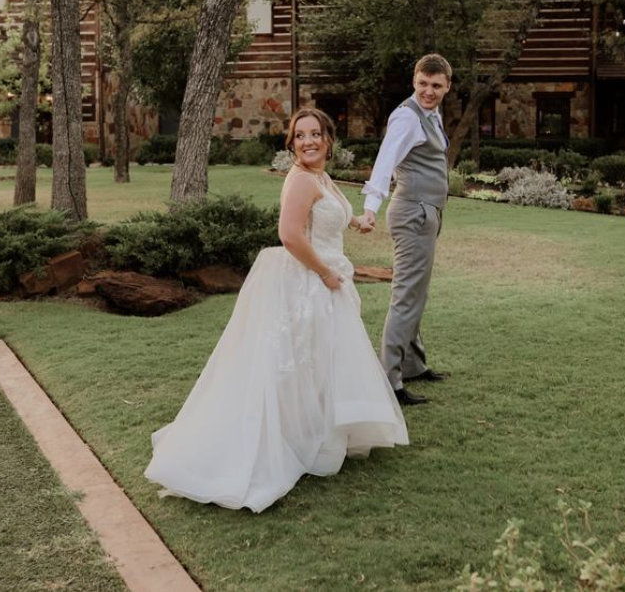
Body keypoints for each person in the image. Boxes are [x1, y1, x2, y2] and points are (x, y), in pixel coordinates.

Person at [144, 108, 408, 513]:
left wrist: (356, 221)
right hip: (310, 280)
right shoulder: (301, 178)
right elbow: (288, 235)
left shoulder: (321, 177)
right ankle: (291, 440)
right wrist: (324, 274)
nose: (308, 141)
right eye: (300, 136)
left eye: (315, 133)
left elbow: (327, 213)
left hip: (326, 277)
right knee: (298, 362)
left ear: (328, 139)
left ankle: (317, 433)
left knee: (321, 362)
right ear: (291, 143)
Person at [361, 54, 453, 406]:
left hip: (427, 212)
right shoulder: (406, 117)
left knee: (417, 292)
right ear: (414, 80)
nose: (428, 91)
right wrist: (370, 209)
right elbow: (385, 162)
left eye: (436, 86)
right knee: (406, 295)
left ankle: (413, 364)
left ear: (447, 87)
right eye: (423, 84)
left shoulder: (430, 114)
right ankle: (390, 380)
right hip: (413, 213)